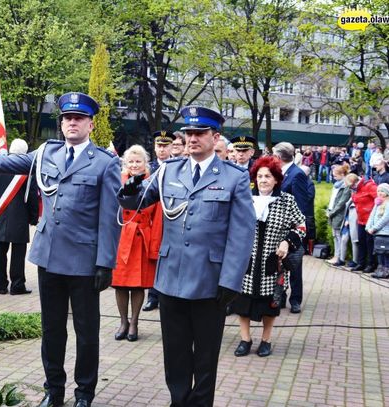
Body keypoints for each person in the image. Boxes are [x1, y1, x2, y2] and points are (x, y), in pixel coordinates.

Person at [0, 92, 121, 407]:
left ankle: (84, 393)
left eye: (79, 118)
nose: (72, 123)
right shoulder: (47, 153)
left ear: (90, 123)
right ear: (61, 123)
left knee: (86, 334)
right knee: (52, 331)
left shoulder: (104, 163)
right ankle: (53, 392)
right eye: (67, 118)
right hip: (48, 257)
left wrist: (105, 263)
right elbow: (3, 162)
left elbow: (109, 219)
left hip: (85, 262)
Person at [118, 105, 256, 407]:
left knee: (205, 356)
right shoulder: (169, 170)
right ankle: (178, 401)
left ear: (214, 136)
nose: (192, 138)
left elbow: (242, 233)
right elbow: (136, 201)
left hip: (210, 281)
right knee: (175, 353)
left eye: (199, 133)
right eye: (189, 133)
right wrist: (131, 180)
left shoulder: (234, 178)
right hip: (171, 278)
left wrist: (231, 280)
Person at [230, 156, 305, 357]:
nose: (263, 180)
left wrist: (287, 241)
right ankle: (245, 339)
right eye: (260, 176)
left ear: (276, 179)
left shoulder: (286, 200)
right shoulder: (245, 197)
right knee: (242, 304)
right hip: (246, 261)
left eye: (268, 176)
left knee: (269, 306)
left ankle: (266, 340)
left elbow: (301, 225)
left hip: (272, 263)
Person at [112, 145, 162, 342]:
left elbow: (158, 218)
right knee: (120, 284)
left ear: (145, 163)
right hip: (121, 237)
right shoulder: (117, 181)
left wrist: (155, 247)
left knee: (138, 285)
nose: (134, 165)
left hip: (143, 239)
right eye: (130, 161)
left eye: (138, 161)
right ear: (125, 163)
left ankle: (134, 322)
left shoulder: (153, 183)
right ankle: (123, 322)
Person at [0, 139, 39, 295]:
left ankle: (1, 285)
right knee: (18, 254)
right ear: (25, 152)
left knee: (0, 252)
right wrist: (33, 217)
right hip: (20, 217)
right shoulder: (28, 169)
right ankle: (17, 285)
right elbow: (32, 196)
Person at [272, 142, 312, 314]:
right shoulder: (281, 173)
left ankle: (295, 300)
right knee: (279, 265)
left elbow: (301, 205)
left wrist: (294, 230)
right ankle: (280, 296)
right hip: (278, 227)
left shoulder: (297, 175)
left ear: (279, 157)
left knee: (294, 265)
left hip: (292, 228)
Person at [144, 130, 174, 312]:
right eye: (159, 145)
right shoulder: (149, 168)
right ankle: (152, 296)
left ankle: (166, 295)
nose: (162, 149)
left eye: (165, 145)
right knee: (153, 256)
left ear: (171, 146)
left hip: (171, 217)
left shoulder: (178, 167)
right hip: (151, 219)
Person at [348, 173, 378, 273]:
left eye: (351, 186)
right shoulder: (354, 189)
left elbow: (379, 200)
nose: (351, 188)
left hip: (371, 220)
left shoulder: (369, 186)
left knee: (370, 243)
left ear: (356, 182)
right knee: (361, 241)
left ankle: (371, 264)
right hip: (361, 219)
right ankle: (361, 263)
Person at [325, 163, 352, 266]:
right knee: (335, 235)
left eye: (335, 175)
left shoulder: (346, 186)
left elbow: (342, 202)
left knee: (338, 235)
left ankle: (339, 257)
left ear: (342, 175)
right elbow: (333, 199)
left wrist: (332, 212)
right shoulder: (336, 185)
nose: (333, 177)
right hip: (332, 212)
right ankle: (336, 256)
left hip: (339, 213)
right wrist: (329, 209)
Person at [366, 183, 389, 279]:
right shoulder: (377, 203)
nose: (380, 193)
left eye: (382, 191)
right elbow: (372, 216)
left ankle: (386, 270)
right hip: (376, 233)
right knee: (379, 252)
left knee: (385, 253)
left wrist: (374, 228)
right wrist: (368, 226)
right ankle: (380, 269)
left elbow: (385, 219)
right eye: (378, 191)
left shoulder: (387, 204)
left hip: (385, 233)